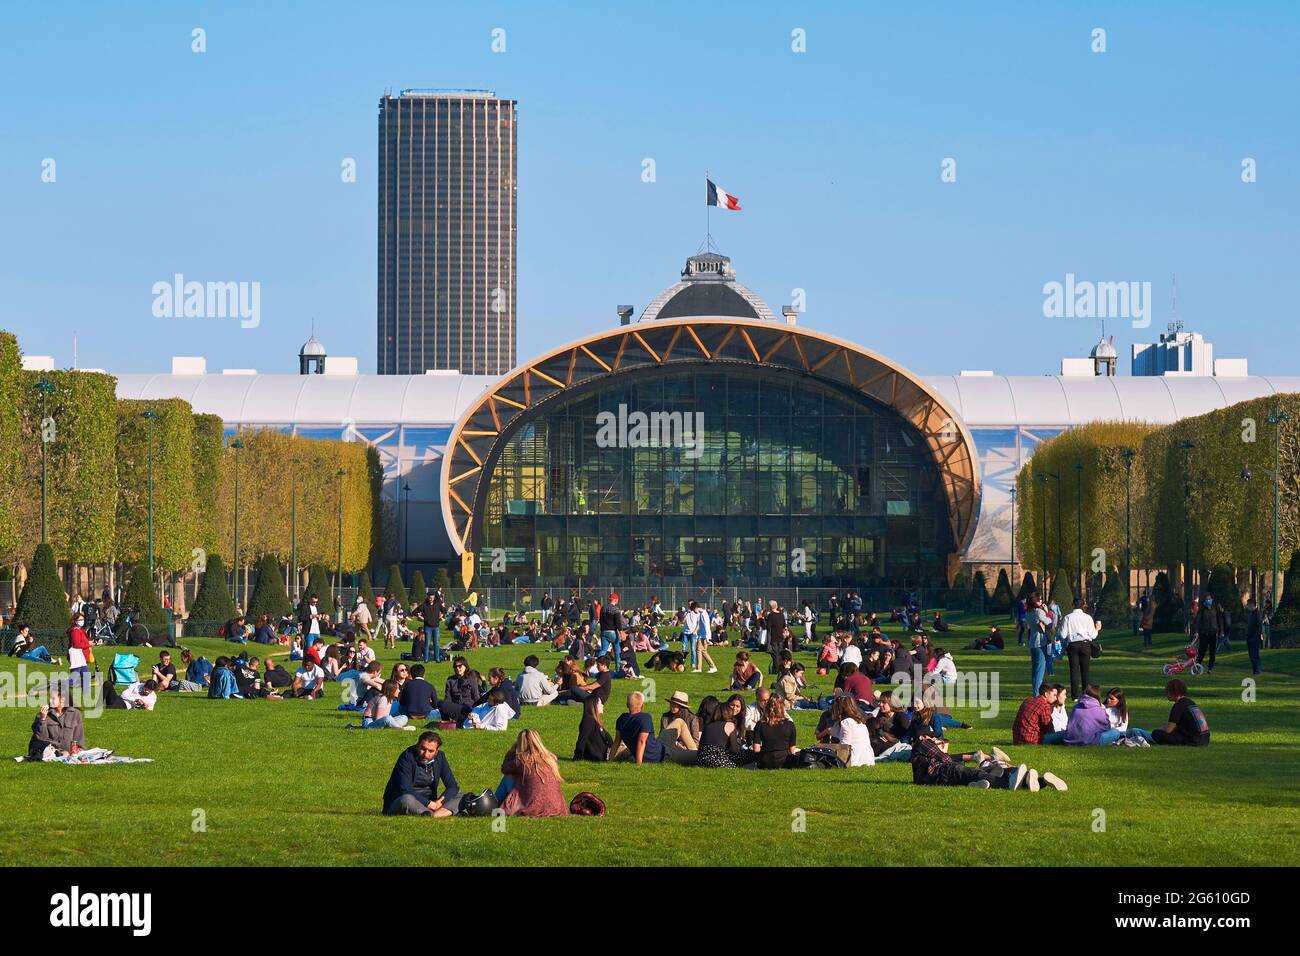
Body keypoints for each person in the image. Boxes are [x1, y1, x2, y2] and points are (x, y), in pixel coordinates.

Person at [910, 732, 1067, 791]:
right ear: (923, 736)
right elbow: (945, 759)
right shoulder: (922, 743)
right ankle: (1012, 781)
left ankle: (1036, 780)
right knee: (978, 772)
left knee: (986, 772)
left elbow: (949, 759)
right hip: (945, 772)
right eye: (934, 737)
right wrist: (942, 750)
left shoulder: (922, 753)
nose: (936, 740)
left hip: (945, 774)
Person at [381, 731, 463, 816]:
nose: (426, 754)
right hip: (405, 801)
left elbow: (452, 786)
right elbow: (405, 789)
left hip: (431, 803)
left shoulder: (440, 757)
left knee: (461, 795)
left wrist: (440, 802)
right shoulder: (407, 757)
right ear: (417, 746)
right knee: (407, 799)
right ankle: (439, 813)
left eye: (431, 751)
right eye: (423, 749)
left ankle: (433, 814)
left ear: (436, 751)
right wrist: (429, 804)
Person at [497, 730, 569, 817]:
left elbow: (505, 768)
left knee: (508, 777)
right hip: (556, 806)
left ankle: (493, 803)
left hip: (533, 806)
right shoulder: (550, 758)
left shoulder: (521, 760)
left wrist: (512, 750)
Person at [1059, 598, 1101, 701]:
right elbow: (1093, 635)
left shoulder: (1068, 617)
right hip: (1085, 644)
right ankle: (1086, 694)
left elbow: (1063, 635)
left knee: (1074, 671)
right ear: (1083, 605)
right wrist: (1097, 629)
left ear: (1072, 605)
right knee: (1085, 670)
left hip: (1073, 644)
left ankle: (1074, 696)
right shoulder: (1087, 618)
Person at [28, 687, 86, 759]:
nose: (49, 700)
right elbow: (41, 737)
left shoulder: (75, 714)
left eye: (53, 698)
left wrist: (79, 751)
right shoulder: (43, 714)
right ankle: (57, 754)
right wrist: (43, 719)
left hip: (67, 752)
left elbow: (79, 736)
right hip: (46, 749)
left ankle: (60, 754)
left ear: (62, 699)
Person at [1152, 679, 1210, 746]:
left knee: (1156, 734)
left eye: (1167, 691)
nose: (1166, 694)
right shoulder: (1190, 702)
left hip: (1193, 741)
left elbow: (1169, 729)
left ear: (1173, 692)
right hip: (1204, 740)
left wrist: (1159, 729)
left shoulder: (1178, 706)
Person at [613, 691, 664, 764]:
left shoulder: (621, 719)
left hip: (646, 751)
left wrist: (610, 760)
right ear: (642, 705)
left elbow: (616, 742)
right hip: (657, 755)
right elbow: (641, 741)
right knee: (679, 722)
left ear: (627, 705)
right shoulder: (645, 718)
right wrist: (638, 764)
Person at [696, 696, 746, 769]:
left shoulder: (708, 725)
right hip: (718, 761)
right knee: (749, 754)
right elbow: (735, 750)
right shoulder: (730, 725)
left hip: (700, 760)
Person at [752, 695, 799, 769]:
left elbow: (756, 749)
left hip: (765, 762)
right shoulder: (790, 725)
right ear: (782, 708)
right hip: (785, 761)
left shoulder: (760, 724)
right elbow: (792, 750)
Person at [828, 694, 874, 767]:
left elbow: (845, 745)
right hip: (867, 758)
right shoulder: (858, 721)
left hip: (855, 758)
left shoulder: (847, 722)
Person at [658, 690, 700, 764]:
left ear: (682, 707)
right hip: (670, 747)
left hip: (687, 748)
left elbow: (696, 741)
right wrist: (676, 744)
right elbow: (663, 736)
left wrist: (682, 746)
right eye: (671, 704)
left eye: (675, 705)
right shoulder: (666, 717)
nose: (672, 706)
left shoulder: (692, 718)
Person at [1024, 592, 1051, 697]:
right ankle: (1036, 693)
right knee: (1040, 669)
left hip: (1033, 642)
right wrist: (1046, 611)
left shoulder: (1028, 612)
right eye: (1040, 600)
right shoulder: (1039, 612)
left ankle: (1036, 690)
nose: (1041, 602)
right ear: (1036, 601)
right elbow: (1049, 622)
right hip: (1041, 642)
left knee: (1035, 669)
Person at [573, 695, 614, 761]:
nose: (602, 705)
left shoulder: (595, 721)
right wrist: (577, 756)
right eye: (600, 703)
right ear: (594, 705)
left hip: (605, 753)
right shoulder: (588, 721)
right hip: (600, 755)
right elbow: (582, 739)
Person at [66, 612, 93, 697]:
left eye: (83, 619)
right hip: (77, 656)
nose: (82, 621)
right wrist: (88, 644)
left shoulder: (79, 630)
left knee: (85, 675)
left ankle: (86, 695)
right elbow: (77, 644)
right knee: (75, 677)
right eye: (80, 619)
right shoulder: (75, 631)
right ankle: (57, 686)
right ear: (75, 621)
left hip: (80, 656)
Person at [1192, 592, 1219, 672]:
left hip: (1213, 632)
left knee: (1212, 652)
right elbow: (1198, 622)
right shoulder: (1202, 611)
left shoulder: (1215, 609)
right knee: (1202, 651)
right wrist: (1197, 631)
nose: (1208, 600)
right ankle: (1197, 666)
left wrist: (1220, 630)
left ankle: (1210, 668)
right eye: (1207, 599)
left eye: (1209, 599)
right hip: (1204, 633)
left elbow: (1219, 619)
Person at [598, 593, 625, 670]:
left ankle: (598, 665)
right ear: (616, 600)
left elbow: (601, 620)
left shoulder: (603, 608)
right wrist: (621, 632)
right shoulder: (615, 609)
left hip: (603, 631)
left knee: (603, 650)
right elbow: (618, 622)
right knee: (617, 651)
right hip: (612, 632)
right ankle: (618, 668)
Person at [418, 590, 446, 663]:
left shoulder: (438, 604)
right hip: (427, 627)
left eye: (432, 598)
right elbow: (415, 612)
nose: (431, 599)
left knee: (436, 643)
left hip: (436, 626)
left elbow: (444, 610)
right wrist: (420, 617)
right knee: (427, 643)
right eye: (429, 598)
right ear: (427, 597)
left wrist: (442, 615)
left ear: (434, 598)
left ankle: (437, 659)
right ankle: (426, 659)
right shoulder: (424, 605)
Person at [1244, 596, 1264, 676]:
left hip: (1254, 637)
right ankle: (1255, 670)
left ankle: (1257, 670)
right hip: (1250, 637)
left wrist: (1256, 635)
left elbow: (1259, 626)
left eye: (1248, 604)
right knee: (1252, 655)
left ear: (1252, 604)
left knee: (1254, 655)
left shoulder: (1257, 613)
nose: (1247, 606)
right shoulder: (1252, 614)